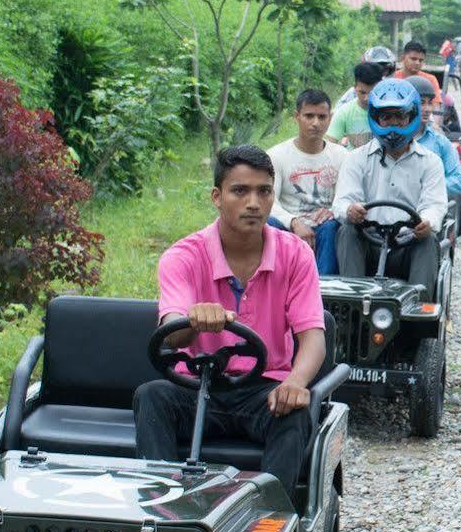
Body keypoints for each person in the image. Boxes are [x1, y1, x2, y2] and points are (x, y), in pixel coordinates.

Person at [134, 145, 327, 481]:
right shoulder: (183, 256)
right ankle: (161, 506)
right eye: (240, 191)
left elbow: (313, 336)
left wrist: (295, 383)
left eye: (264, 191)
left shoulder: (296, 254)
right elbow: (172, 334)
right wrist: (192, 323)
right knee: (151, 395)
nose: (253, 203)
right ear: (217, 197)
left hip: (263, 389)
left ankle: (270, 521)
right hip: (196, 386)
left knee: (296, 409)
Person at [331, 79, 448, 296]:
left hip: (409, 243)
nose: (393, 124)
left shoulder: (430, 162)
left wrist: (426, 222)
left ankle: (418, 313)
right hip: (368, 241)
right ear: (375, 118)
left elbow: (435, 205)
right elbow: (342, 201)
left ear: (411, 117)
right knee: (347, 231)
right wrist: (350, 210)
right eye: (386, 117)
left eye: (400, 117)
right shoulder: (356, 159)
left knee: (428, 240)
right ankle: (353, 307)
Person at [269, 89, 349, 275]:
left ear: (330, 118)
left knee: (331, 227)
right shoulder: (276, 155)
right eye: (309, 116)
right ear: (297, 117)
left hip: (325, 225)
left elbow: (347, 196)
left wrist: (333, 211)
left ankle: (324, 290)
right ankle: (271, 282)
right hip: (288, 224)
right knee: (269, 224)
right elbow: (269, 200)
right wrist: (294, 222)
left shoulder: (342, 156)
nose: (315, 123)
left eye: (322, 117)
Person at [406, 76, 461, 199]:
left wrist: (427, 188)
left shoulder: (439, 142)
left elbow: (459, 180)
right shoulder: (391, 140)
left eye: (430, 103)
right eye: (421, 103)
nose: (427, 109)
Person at [329, 61, 383, 148]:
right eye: (362, 92)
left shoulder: (389, 111)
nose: (367, 98)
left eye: (372, 93)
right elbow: (330, 144)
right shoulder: (344, 112)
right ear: (354, 87)